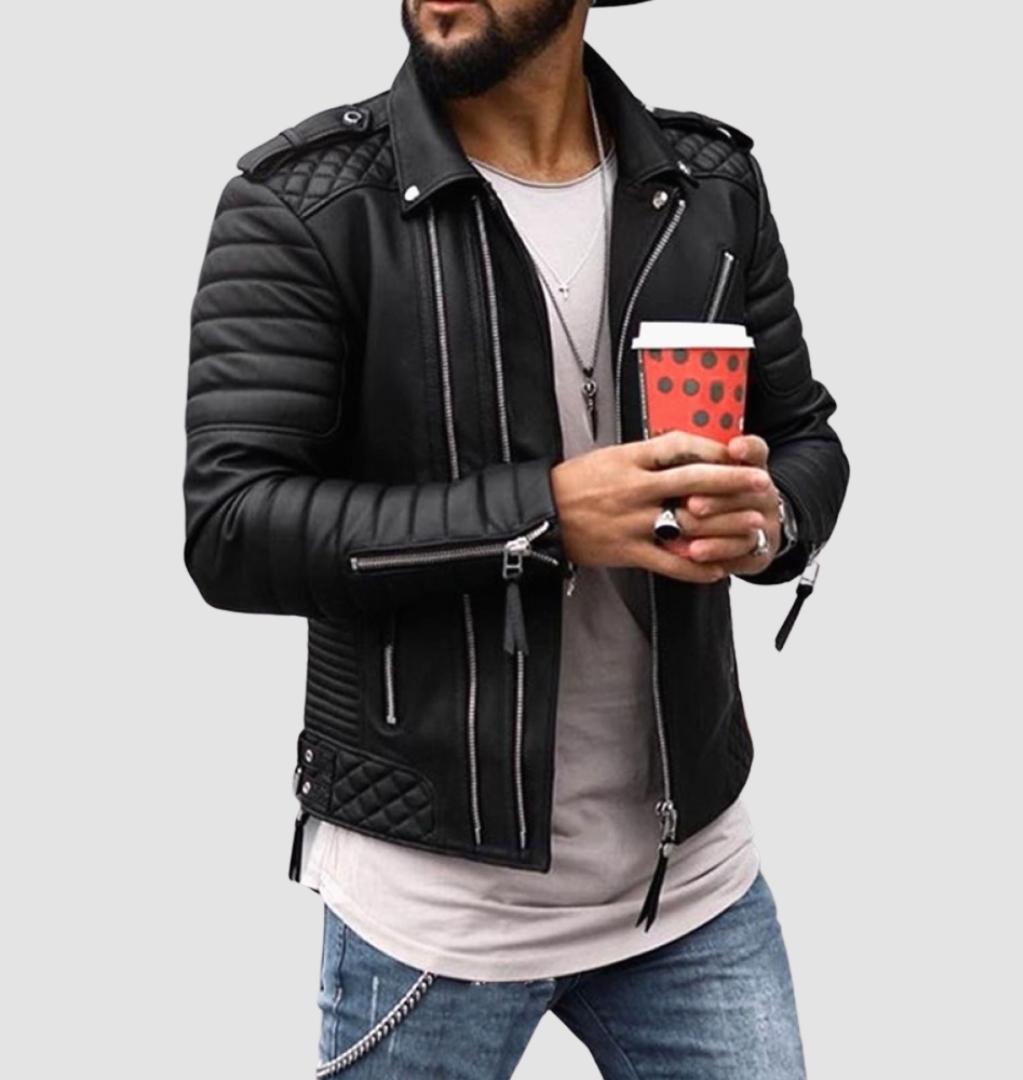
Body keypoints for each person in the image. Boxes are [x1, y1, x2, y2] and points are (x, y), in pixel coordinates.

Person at [183, 0, 850, 1075]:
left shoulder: (709, 185)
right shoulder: (306, 205)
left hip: (692, 887)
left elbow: (805, 437)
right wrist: (542, 519)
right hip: (433, 915)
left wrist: (770, 522)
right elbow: (233, 524)